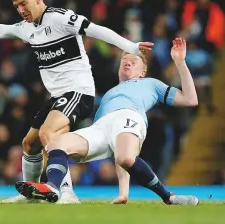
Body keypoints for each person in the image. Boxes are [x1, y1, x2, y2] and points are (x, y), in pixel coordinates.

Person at [0, 0, 153, 204]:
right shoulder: (27, 28)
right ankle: (31, 197)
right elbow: (3, 30)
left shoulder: (60, 18)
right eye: (16, 6)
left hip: (79, 92)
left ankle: (66, 192)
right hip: (58, 96)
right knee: (30, 144)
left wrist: (130, 46)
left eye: (23, 4)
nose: (20, 10)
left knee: (48, 133)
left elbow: (95, 29)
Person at [15, 38, 199, 205]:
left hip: (129, 116)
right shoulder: (109, 93)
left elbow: (191, 99)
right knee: (57, 143)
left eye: (134, 61)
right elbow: (115, 142)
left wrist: (180, 62)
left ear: (143, 71)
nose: (127, 62)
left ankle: (168, 197)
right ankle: (54, 187)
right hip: (101, 126)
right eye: (124, 60)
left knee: (125, 157)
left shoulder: (152, 84)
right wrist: (123, 194)